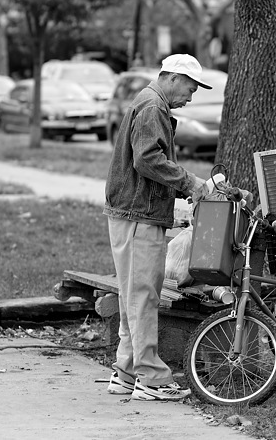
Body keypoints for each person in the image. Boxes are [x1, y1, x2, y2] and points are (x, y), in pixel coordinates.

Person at [103, 54, 212, 401]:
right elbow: (148, 159)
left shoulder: (149, 102)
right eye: (191, 89)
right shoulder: (153, 106)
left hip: (132, 211)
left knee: (133, 296)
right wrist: (190, 183)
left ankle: (125, 371)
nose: (190, 97)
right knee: (143, 297)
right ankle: (150, 378)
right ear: (174, 78)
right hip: (138, 215)